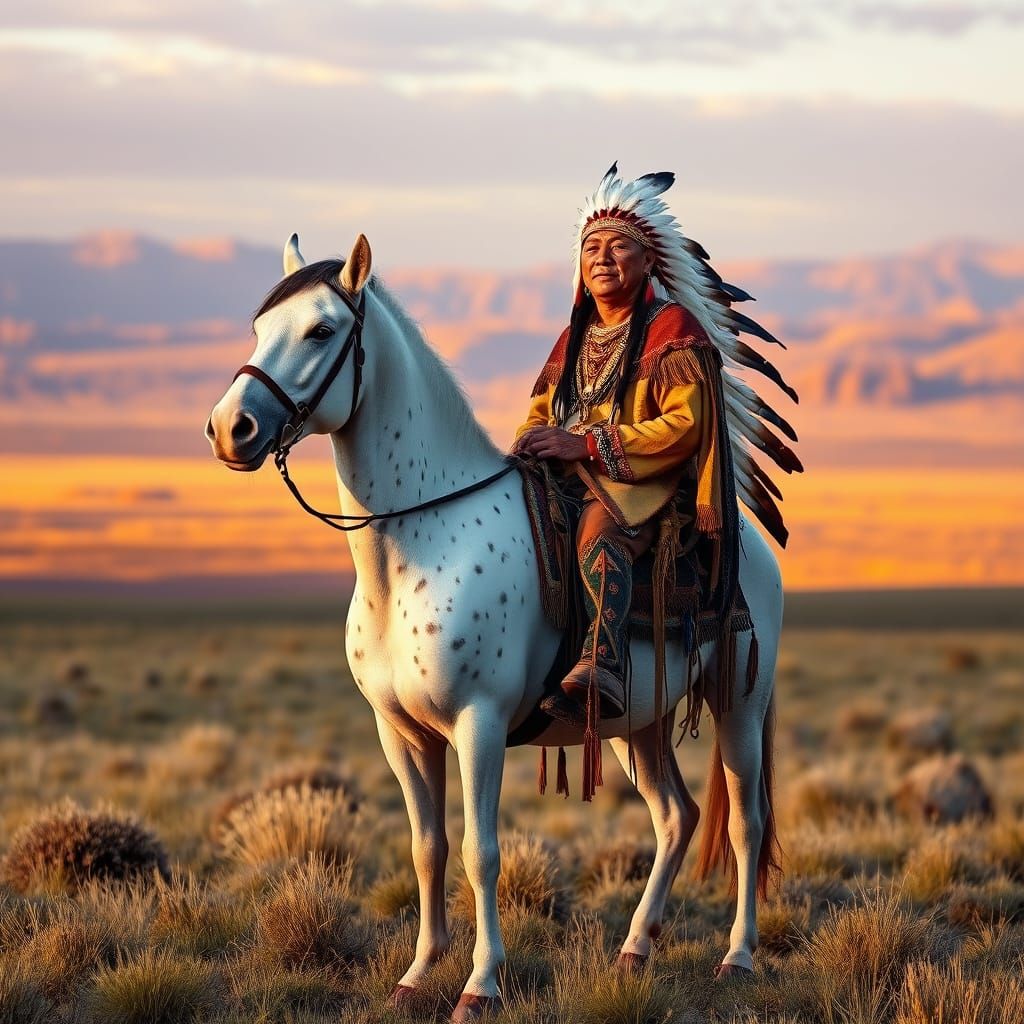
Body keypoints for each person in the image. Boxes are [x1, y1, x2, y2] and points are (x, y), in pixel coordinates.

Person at [511, 169, 731, 728]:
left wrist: (587, 442)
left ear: (649, 261)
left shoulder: (671, 327)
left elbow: (686, 424)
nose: (602, 257)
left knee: (595, 533)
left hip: (645, 485)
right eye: (591, 247)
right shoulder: (574, 336)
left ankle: (603, 665)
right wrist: (531, 443)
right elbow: (543, 409)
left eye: (618, 246)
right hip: (571, 472)